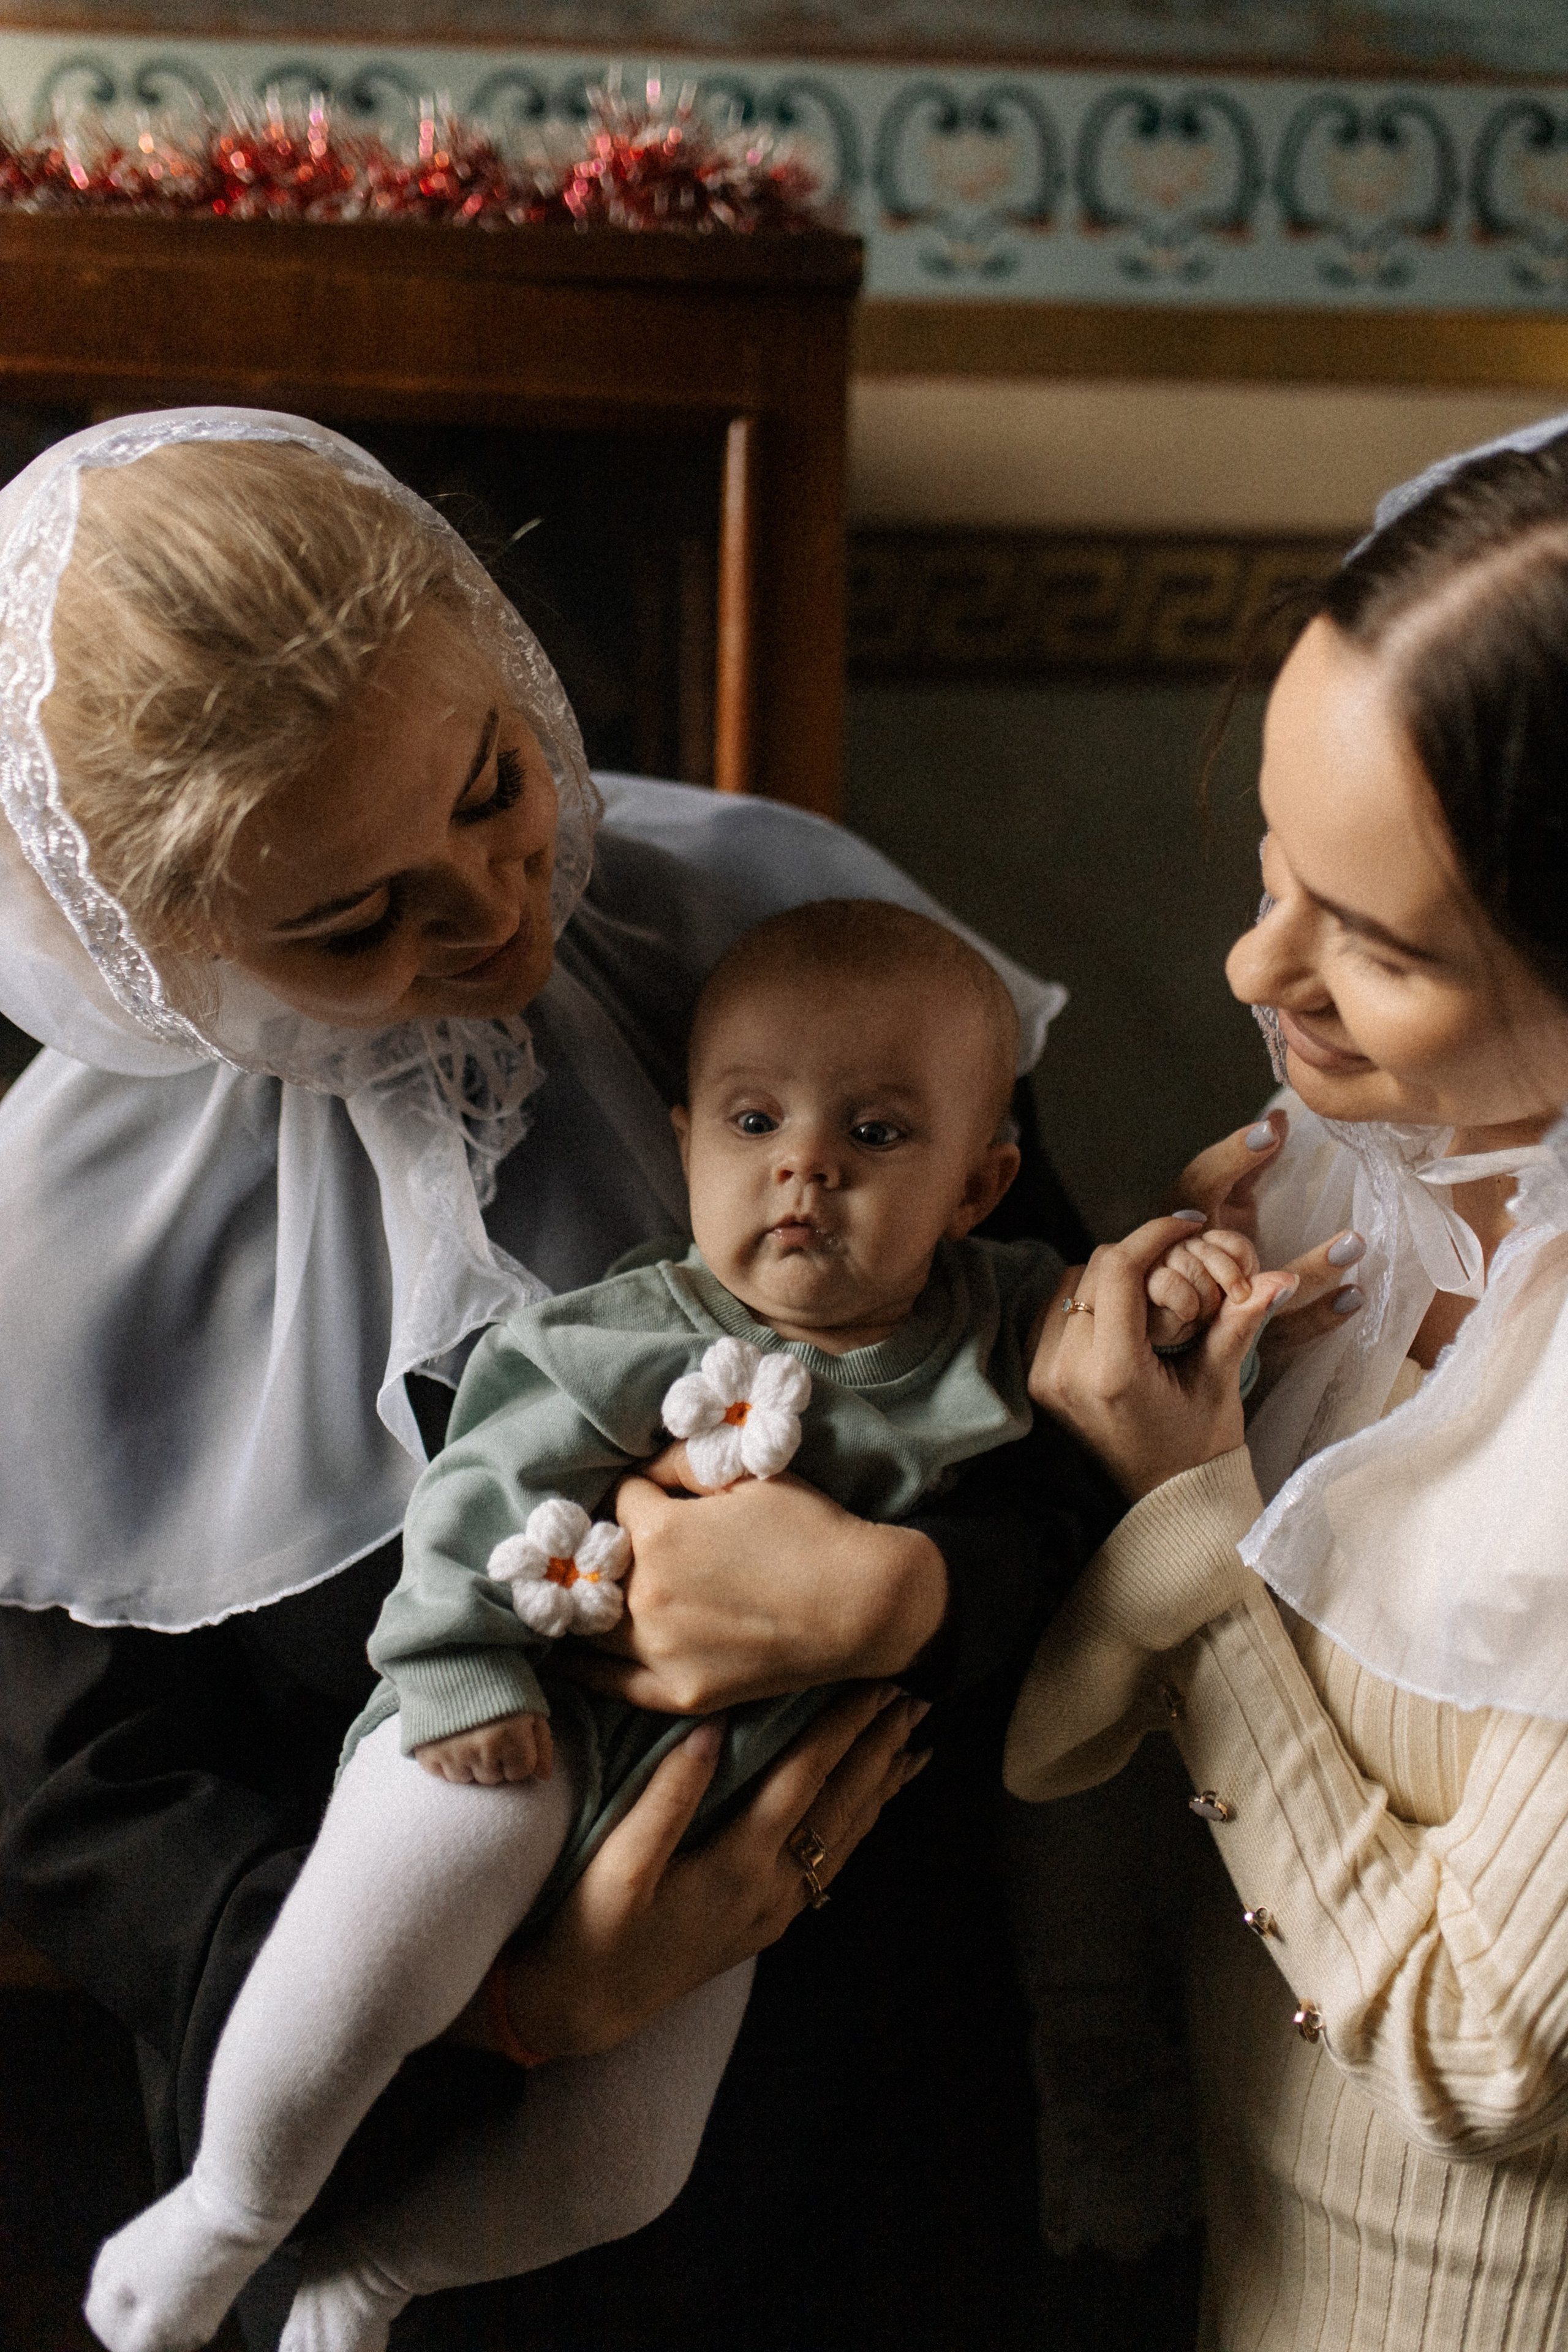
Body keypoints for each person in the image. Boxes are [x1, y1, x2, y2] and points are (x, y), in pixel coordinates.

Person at [0, 409, 1111, 2352]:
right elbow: (99, 1808)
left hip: (870, 2114)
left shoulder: (778, 931)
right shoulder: (44, 1251)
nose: (496, 912)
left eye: (492, 784)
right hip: (425, 2170)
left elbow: (1078, 1417)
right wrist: (536, 1998)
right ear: (156, 959)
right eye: (353, 923)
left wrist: (927, 1594)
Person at [1006, 414, 1568, 2350]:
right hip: (1231, 2241)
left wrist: (1193, 1541)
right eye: (1272, 863)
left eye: (1381, 949)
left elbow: (1485, 2054)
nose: (1258, 966)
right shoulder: (1362, 1157)